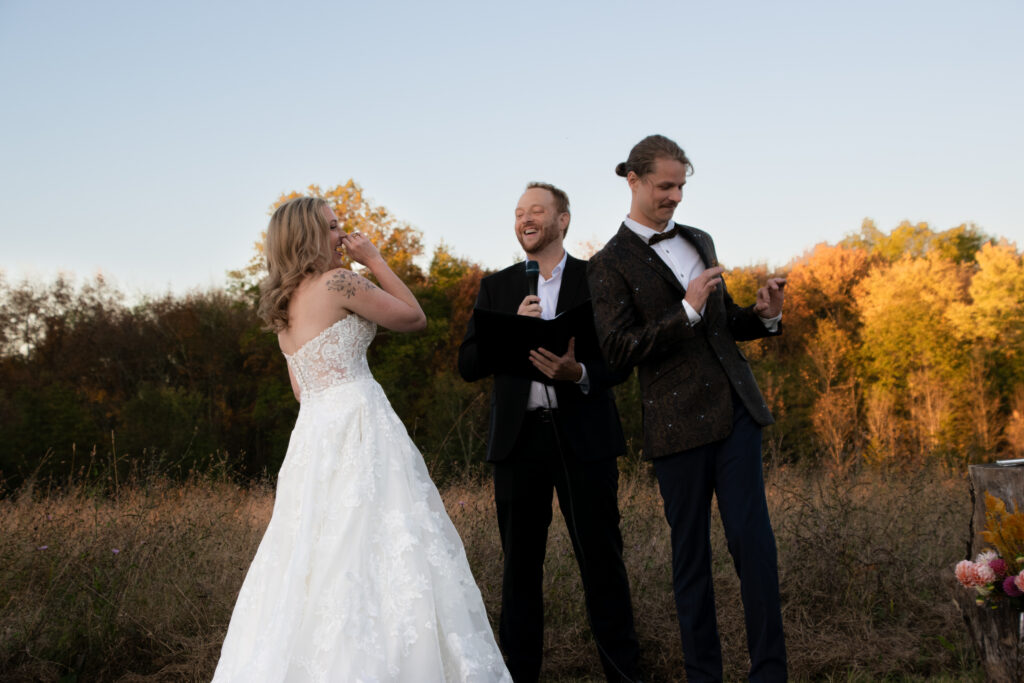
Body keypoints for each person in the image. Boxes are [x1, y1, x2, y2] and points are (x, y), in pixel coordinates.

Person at [213, 196, 511, 682]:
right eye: (332, 228)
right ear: (308, 237)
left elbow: (300, 389)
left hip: (312, 437)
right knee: (382, 542)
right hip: (358, 426)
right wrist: (373, 259)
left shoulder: (284, 310)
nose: (342, 235)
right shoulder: (339, 281)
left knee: (315, 554)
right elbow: (414, 317)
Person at [587, 135, 787, 682]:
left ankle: (770, 674)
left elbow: (721, 328)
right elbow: (619, 351)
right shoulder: (607, 265)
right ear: (633, 179)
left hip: (738, 411)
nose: (675, 196)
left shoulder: (699, 238)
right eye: (665, 186)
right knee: (692, 562)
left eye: (682, 186)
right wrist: (687, 310)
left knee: (755, 548)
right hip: (676, 427)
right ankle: (705, 676)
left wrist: (762, 314)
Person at [458, 183, 641, 683]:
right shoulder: (496, 287)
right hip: (519, 445)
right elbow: (469, 363)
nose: (525, 219)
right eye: (518, 213)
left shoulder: (597, 278)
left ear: (563, 221)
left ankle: (625, 676)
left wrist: (578, 374)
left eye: (536, 211)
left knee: (602, 564)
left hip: (585, 439)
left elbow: (620, 359)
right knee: (519, 573)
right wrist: (510, 333)